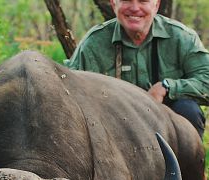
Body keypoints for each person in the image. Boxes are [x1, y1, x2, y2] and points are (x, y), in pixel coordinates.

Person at [65, 0, 209, 138]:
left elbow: (206, 81)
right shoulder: (94, 43)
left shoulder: (181, 37)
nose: (134, 7)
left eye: (143, 1)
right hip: (114, 129)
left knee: (188, 109)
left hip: (169, 129)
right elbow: (69, 94)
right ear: (113, 3)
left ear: (156, 4)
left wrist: (167, 87)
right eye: (126, 0)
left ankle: (185, 163)